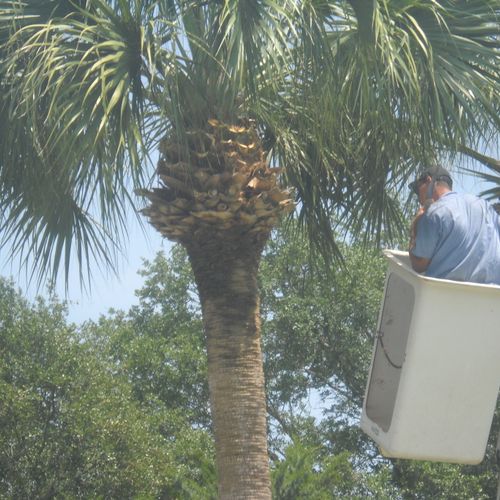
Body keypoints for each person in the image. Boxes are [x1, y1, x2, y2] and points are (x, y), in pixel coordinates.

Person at [408, 165, 500, 284]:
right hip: (491, 298)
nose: (419, 198)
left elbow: (419, 265)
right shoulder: (485, 206)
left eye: (417, 189)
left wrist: (416, 223)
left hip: (445, 297)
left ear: (429, 181)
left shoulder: (434, 213)